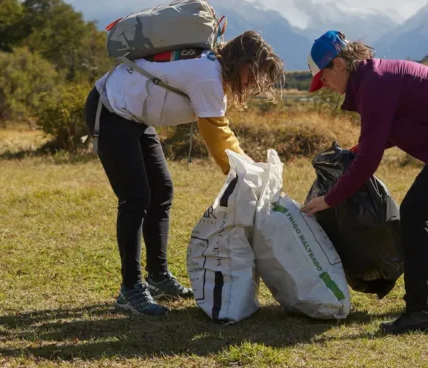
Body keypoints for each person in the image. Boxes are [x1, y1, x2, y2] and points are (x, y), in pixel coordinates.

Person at [301, 31, 428, 334]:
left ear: (339, 64)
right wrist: (356, 152)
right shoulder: (376, 77)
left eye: (324, 78)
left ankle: (422, 310)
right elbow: (388, 132)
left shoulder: (373, 84)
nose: (325, 85)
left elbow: (369, 161)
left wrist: (331, 198)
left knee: (414, 211)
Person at [84, 30, 285, 316]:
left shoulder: (212, 72)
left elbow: (220, 129)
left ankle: (158, 277)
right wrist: (244, 176)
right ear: (240, 61)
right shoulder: (207, 75)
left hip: (135, 118)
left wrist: (245, 171)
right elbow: (216, 133)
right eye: (253, 73)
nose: (254, 82)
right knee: (136, 198)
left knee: (161, 191)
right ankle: (130, 288)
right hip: (111, 109)